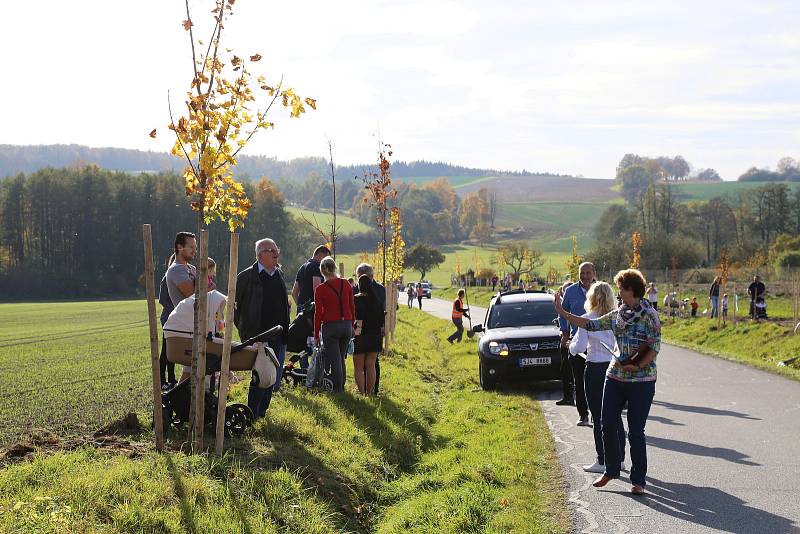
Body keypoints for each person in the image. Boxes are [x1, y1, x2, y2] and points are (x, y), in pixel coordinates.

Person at [554, 268, 661, 496]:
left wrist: (637, 366)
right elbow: (589, 324)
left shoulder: (650, 315)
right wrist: (562, 311)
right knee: (606, 422)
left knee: (635, 431)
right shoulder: (618, 314)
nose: (619, 292)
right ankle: (610, 469)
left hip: (642, 380)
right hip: (615, 377)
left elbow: (654, 346)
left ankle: (638, 480)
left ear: (632, 290)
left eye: (621, 288)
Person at [569, 281, 626, 474]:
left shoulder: (587, 319)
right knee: (615, 414)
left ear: (591, 298)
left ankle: (602, 459)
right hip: (614, 368)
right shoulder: (617, 317)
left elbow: (578, 347)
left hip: (595, 369)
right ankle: (619, 459)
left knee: (597, 414)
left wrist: (569, 345)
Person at [234, 238, 290, 419]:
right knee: (261, 376)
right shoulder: (246, 277)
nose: (276, 253)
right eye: (271, 250)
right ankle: (251, 414)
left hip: (279, 335)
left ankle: (262, 414)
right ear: (260, 255)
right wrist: (246, 331)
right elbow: (234, 308)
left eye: (276, 249)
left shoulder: (279, 274)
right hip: (259, 335)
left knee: (273, 378)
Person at [556, 262, 595, 426]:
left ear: (594, 273)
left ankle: (596, 411)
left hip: (597, 344)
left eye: (588, 273)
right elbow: (562, 315)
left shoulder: (601, 290)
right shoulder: (570, 292)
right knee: (579, 380)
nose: (585, 276)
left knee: (596, 381)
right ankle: (583, 414)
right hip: (577, 343)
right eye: (582, 273)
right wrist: (565, 335)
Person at [314, 257, 355, 392]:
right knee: (341, 357)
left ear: (322, 271)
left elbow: (318, 313)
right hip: (346, 325)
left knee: (335, 359)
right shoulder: (346, 284)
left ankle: (338, 389)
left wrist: (316, 334)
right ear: (334, 267)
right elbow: (352, 306)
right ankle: (341, 386)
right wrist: (352, 324)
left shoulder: (320, 289)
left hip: (330, 327)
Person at [356, 263, 386, 393]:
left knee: (359, 366)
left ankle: (363, 392)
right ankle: (371, 391)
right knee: (371, 364)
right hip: (375, 333)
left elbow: (356, 316)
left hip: (361, 332)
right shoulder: (379, 295)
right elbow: (382, 314)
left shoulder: (355, 296)